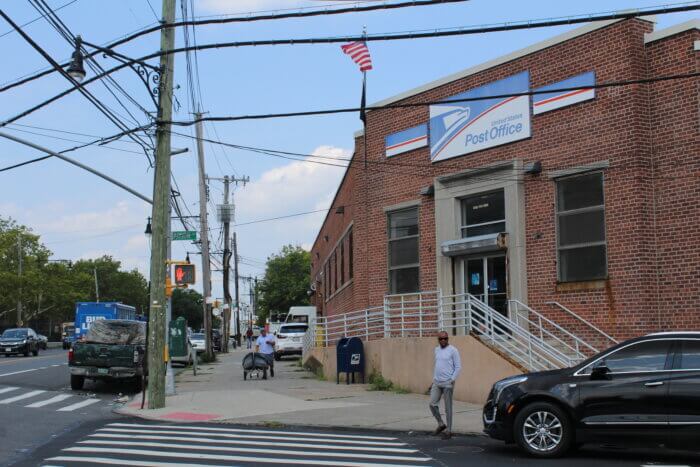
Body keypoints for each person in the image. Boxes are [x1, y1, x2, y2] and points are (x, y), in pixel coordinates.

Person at [429, 331, 461, 439]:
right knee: (432, 404)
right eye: (441, 339)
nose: (443, 340)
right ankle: (441, 424)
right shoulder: (436, 349)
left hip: (448, 382)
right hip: (437, 382)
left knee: (448, 408)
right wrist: (433, 380)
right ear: (438, 340)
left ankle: (449, 430)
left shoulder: (453, 350)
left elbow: (458, 367)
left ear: (448, 339)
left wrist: (452, 379)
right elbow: (437, 365)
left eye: (445, 338)